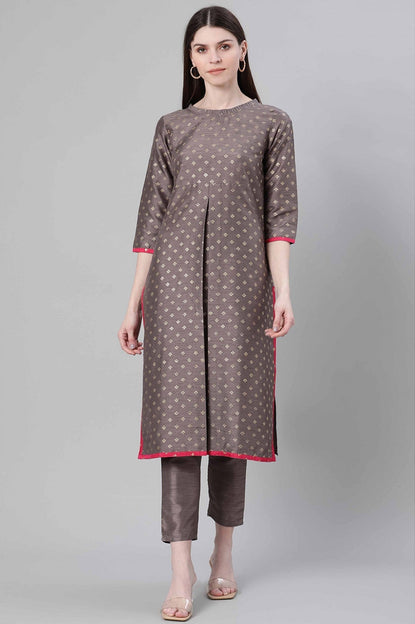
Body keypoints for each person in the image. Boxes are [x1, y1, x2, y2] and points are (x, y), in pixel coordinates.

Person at [118, 5, 299, 621]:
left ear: (243, 50)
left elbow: (279, 213)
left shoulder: (271, 123)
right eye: (201, 49)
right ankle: (181, 569)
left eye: (224, 45)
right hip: (172, 287)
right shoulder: (172, 126)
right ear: (191, 61)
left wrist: (282, 289)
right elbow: (151, 217)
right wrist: (134, 302)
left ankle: (223, 553)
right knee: (177, 428)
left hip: (241, 283)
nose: (213, 57)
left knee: (231, 419)